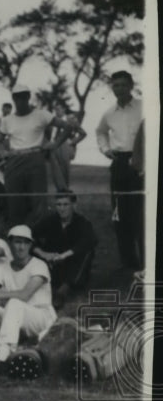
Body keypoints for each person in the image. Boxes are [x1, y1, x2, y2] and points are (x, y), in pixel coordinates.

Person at [0, 225, 56, 365]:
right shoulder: (3, 268)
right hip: (12, 316)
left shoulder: (39, 265)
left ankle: (1, 357)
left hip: (40, 317)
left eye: (25, 243)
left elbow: (24, 295)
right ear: (10, 244)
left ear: (30, 245)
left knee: (14, 303)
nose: (21, 247)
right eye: (17, 242)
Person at [0, 84, 71, 227]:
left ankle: (37, 237)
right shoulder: (7, 120)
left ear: (28, 97)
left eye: (24, 97)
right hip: (14, 160)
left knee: (38, 201)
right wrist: (3, 155)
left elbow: (67, 127)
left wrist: (54, 144)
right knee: (15, 201)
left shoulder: (41, 114)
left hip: (35, 158)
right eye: (17, 97)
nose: (21, 100)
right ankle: (17, 237)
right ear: (13, 98)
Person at [95, 70, 144, 270]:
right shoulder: (109, 113)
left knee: (142, 213)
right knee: (120, 214)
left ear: (131, 86)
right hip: (120, 164)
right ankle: (129, 264)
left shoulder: (144, 107)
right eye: (116, 85)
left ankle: (148, 262)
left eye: (124, 85)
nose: (120, 89)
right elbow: (100, 132)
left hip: (142, 161)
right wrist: (106, 150)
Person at [32, 191, 97, 309]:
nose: (62, 208)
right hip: (52, 262)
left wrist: (64, 256)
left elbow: (90, 241)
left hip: (72, 267)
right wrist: (44, 254)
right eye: (59, 204)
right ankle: (43, 286)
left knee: (87, 251)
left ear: (74, 205)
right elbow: (30, 235)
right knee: (27, 245)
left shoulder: (82, 222)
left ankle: (63, 291)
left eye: (66, 204)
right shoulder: (50, 220)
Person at [47, 104, 87, 190]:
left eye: (59, 109)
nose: (57, 112)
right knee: (55, 172)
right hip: (53, 147)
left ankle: (65, 193)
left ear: (64, 110)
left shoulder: (71, 120)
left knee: (64, 170)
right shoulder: (52, 121)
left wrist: (72, 142)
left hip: (64, 146)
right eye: (55, 110)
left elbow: (83, 134)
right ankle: (60, 192)